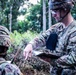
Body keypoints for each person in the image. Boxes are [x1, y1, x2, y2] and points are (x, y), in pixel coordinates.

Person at [23, 0, 76, 75]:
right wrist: (30, 45)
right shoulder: (57, 27)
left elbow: (73, 58)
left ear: (65, 9)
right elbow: (43, 37)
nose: (53, 15)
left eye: (55, 11)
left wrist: (51, 60)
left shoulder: (74, 30)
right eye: (52, 12)